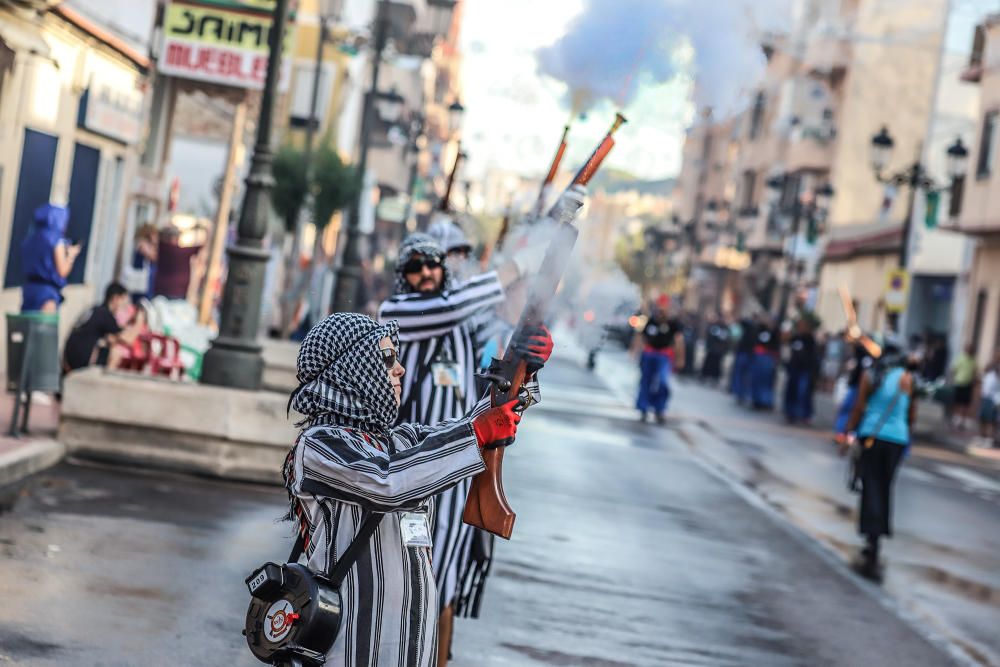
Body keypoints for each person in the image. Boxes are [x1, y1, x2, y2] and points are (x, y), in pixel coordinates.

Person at [284, 312, 546, 666]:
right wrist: (477, 433)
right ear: (349, 367)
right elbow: (389, 482)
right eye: (387, 357)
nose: (400, 369)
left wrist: (522, 374)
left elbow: (466, 426)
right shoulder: (318, 446)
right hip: (348, 647)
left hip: (410, 645)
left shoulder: (398, 439)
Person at [378, 226, 560, 665]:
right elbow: (457, 303)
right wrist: (519, 262)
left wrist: (530, 360)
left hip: (458, 465)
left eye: (433, 264)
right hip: (408, 464)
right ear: (403, 275)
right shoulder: (398, 310)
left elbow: (504, 357)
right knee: (407, 575)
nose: (426, 272)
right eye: (415, 266)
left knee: (448, 577)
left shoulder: (462, 320)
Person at [843, 340, 917, 582]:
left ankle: (871, 536)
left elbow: (859, 406)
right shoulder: (907, 378)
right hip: (897, 439)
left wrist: (849, 431)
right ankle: (879, 532)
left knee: (870, 484)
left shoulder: (871, 375)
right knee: (885, 486)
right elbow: (912, 414)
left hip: (872, 435)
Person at [63, 283, 138, 373]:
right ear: (115, 298)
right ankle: (102, 384)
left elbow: (112, 337)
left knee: (110, 343)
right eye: (123, 300)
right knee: (115, 353)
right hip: (78, 362)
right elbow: (129, 339)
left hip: (67, 359)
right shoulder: (106, 315)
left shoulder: (96, 310)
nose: (125, 305)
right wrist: (140, 320)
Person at [20, 203, 81, 313]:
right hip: (47, 293)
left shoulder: (31, 238)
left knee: (28, 326)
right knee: (43, 329)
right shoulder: (56, 240)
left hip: (29, 289)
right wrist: (71, 255)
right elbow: (62, 271)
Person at [634, 295, 684, 424]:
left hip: (664, 356)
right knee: (645, 381)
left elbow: (679, 341)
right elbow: (640, 336)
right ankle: (643, 408)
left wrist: (680, 358)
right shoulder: (650, 321)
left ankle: (659, 409)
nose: (662, 310)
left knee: (663, 382)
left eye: (664, 307)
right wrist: (635, 350)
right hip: (649, 354)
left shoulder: (673, 324)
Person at [834, 340, 875, 445]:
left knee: (852, 410)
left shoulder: (865, 358)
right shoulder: (861, 358)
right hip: (856, 387)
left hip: (858, 388)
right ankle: (843, 434)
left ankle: (848, 436)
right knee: (847, 410)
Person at [152, 225, 203, 300]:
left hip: (162, 290)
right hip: (175, 293)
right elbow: (201, 246)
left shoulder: (162, 247)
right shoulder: (174, 250)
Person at [783, 318, 819, 424]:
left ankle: (804, 414)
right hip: (794, 369)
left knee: (803, 392)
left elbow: (813, 357)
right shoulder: (795, 338)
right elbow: (785, 341)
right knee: (792, 390)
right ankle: (791, 413)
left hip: (805, 370)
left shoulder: (809, 339)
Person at [749, 314, 779, 410]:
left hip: (768, 358)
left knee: (766, 381)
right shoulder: (760, 330)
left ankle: (765, 401)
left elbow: (776, 347)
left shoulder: (775, 333)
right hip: (759, 357)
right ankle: (756, 399)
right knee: (757, 379)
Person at [949, 344, 978, 430]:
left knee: (965, 403)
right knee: (957, 401)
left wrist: (974, 380)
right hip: (959, 383)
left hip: (968, 384)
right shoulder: (961, 358)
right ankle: (955, 418)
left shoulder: (973, 361)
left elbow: (974, 372)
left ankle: (962, 420)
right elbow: (954, 369)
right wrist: (953, 379)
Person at [730, 316, 756, 404]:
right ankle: (740, 393)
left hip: (746, 355)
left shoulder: (750, 331)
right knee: (742, 375)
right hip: (747, 355)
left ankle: (741, 394)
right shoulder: (750, 331)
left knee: (742, 375)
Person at [700, 313, 729, 385]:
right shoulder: (714, 326)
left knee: (717, 364)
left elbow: (726, 339)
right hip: (712, 349)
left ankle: (714, 378)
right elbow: (710, 336)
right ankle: (705, 376)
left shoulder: (725, 328)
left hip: (719, 350)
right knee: (708, 362)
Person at [977, 355, 999, 448]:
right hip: (986, 397)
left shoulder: (996, 377)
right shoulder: (989, 375)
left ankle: (989, 440)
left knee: (991, 421)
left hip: (994, 400)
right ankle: (982, 437)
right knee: (982, 418)